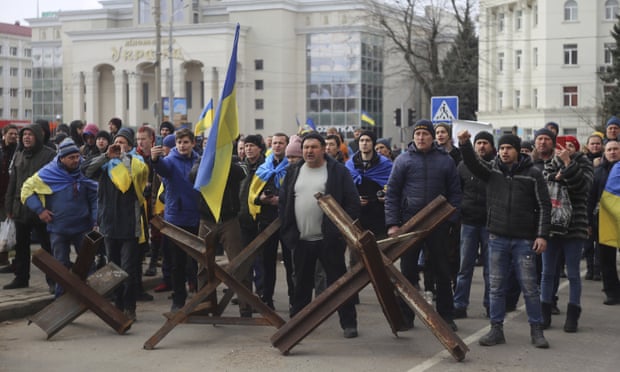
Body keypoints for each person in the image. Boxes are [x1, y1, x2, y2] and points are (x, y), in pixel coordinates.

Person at [458, 130, 551, 349]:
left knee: (530, 287)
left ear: (517, 151)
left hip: (524, 240)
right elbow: (472, 163)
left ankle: (536, 330)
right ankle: (496, 329)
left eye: (508, 148)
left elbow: (544, 206)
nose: (504, 152)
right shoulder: (493, 171)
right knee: (496, 287)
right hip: (497, 237)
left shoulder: (533, 174)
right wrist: (464, 144)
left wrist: (541, 235)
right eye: (501, 148)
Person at [280, 132, 360, 338]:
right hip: (301, 240)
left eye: (314, 147)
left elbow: (352, 203)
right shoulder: (293, 171)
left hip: (329, 241)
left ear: (323, 149)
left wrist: (339, 231)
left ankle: (349, 323)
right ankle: (298, 326)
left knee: (339, 284)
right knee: (301, 286)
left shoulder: (338, 172)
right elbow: (284, 203)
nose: (309, 151)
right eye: (306, 147)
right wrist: (289, 232)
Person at [384, 119, 462, 332]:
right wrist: (393, 224)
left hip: (438, 224)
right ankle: (407, 316)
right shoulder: (403, 160)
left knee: (442, 271)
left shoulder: (445, 161)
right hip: (410, 225)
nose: (421, 138)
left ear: (432, 137)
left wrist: (450, 220)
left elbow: (455, 194)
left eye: (425, 134)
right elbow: (392, 194)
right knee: (408, 272)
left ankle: (446, 315)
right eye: (417, 134)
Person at [82, 127, 149, 320]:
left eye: (123, 142)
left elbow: (140, 176)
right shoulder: (105, 165)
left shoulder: (137, 163)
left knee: (128, 268)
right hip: (109, 224)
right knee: (113, 267)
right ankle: (117, 306)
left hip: (130, 225)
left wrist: (123, 160)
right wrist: (106, 156)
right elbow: (85, 170)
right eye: (116, 142)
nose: (119, 146)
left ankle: (130, 307)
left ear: (129, 145)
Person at [21, 138, 98, 297]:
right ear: (61, 158)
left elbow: (94, 197)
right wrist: (40, 210)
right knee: (60, 266)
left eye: (78, 156)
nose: (76, 160)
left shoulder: (84, 171)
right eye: (71, 158)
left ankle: (93, 297)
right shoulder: (48, 173)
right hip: (58, 228)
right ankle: (61, 298)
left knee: (88, 264)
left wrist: (96, 220)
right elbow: (26, 190)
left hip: (83, 227)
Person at [539, 130, 593, 333]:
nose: (565, 149)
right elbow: (545, 182)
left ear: (576, 148)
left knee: (572, 274)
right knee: (547, 272)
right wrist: (558, 175)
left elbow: (583, 186)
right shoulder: (552, 162)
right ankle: (544, 313)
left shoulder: (584, 163)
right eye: (563, 145)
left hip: (574, 227)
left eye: (570, 146)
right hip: (552, 226)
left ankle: (573, 315)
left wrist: (568, 165)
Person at [151, 128, 200, 311]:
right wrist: (154, 159)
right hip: (176, 219)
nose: (182, 146)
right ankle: (178, 300)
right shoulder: (170, 161)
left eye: (186, 142)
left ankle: (199, 293)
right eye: (179, 142)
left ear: (193, 143)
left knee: (196, 261)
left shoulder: (199, 160)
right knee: (177, 262)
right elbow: (161, 167)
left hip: (196, 217)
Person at [3, 124, 56, 290]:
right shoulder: (19, 155)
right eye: (24, 134)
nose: (26, 137)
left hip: (42, 208)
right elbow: (13, 182)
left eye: (30, 134)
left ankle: (53, 279)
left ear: (38, 137)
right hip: (20, 207)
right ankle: (21, 277)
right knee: (21, 245)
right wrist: (9, 205)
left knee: (47, 247)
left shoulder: (49, 155)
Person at [453, 131, 496, 319]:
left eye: (485, 143)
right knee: (464, 268)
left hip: (490, 224)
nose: (481, 146)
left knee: (491, 269)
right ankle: (460, 304)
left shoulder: (496, 166)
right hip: (468, 223)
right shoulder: (463, 166)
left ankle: (490, 305)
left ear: (492, 147)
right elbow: (457, 192)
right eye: (478, 143)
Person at [249, 133, 289, 310]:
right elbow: (252, 195)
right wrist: (261, 199)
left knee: (291, 263)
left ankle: (295, 300)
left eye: (281, 143)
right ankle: (267, 299)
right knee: (266, 263)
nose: (277, 146)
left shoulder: (293, 167)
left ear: (287, 145)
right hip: (266, 221)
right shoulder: (263, 168)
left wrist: (281, 199)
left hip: (287, 221)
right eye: (274, 143)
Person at [589, 140, 620, 305]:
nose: (613, 152)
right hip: (604, 222)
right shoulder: (598, 172)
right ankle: (612, 292)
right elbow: (591, 198)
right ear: (604, 152)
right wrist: (588, 222)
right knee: (606, 260)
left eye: (616, 149)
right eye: (609, 149)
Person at [345, 130, 392, 239]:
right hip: (357, 217)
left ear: (373, 143)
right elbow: (345, 189)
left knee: (379, 251)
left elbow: (392, 186)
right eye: (362, 140)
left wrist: (386, 195)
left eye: (368, 140)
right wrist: (355, 199)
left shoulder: (385, 164)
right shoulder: (349, 165)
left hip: (379, 215)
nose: (364, 143)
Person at [238, 134, 265, 297]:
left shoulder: (265, 168)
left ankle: (261, 293)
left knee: (260, 260)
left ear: (259, 148)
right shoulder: (240, 167)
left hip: (260, 219)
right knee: (243, 260)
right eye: (246, 146)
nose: (248, 149)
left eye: (252, 146)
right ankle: (244, 295)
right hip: (242, 219)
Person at [0, 125, 19, 269]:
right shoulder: (1, 151)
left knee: (9, 226)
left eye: (15, 134)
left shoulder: (18, 151)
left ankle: (7, 258)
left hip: (11, 194)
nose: (13, 136)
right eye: (10, 133)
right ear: (4, 134)